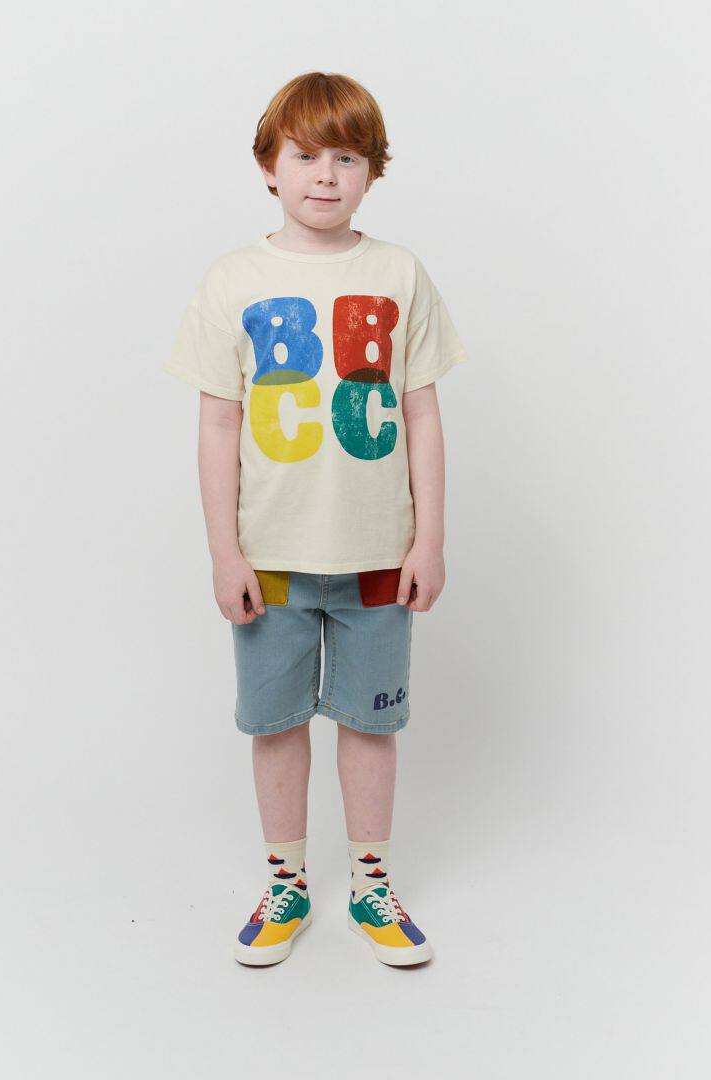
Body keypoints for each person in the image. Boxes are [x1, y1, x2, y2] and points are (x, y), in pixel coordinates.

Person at [164, 71, 467, 967]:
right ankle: (285, 883)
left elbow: (422, 414)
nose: (326, 175)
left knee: (372, 723)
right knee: (275, 723)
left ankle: (371, 884)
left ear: (372, 171)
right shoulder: (234, 280)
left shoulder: (399, 273)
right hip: (271, 557)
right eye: (305, 156)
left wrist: (429, 539)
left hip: (378, 554)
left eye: (346, 157)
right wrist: (224, 553)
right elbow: (218, 425)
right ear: (269, 166)